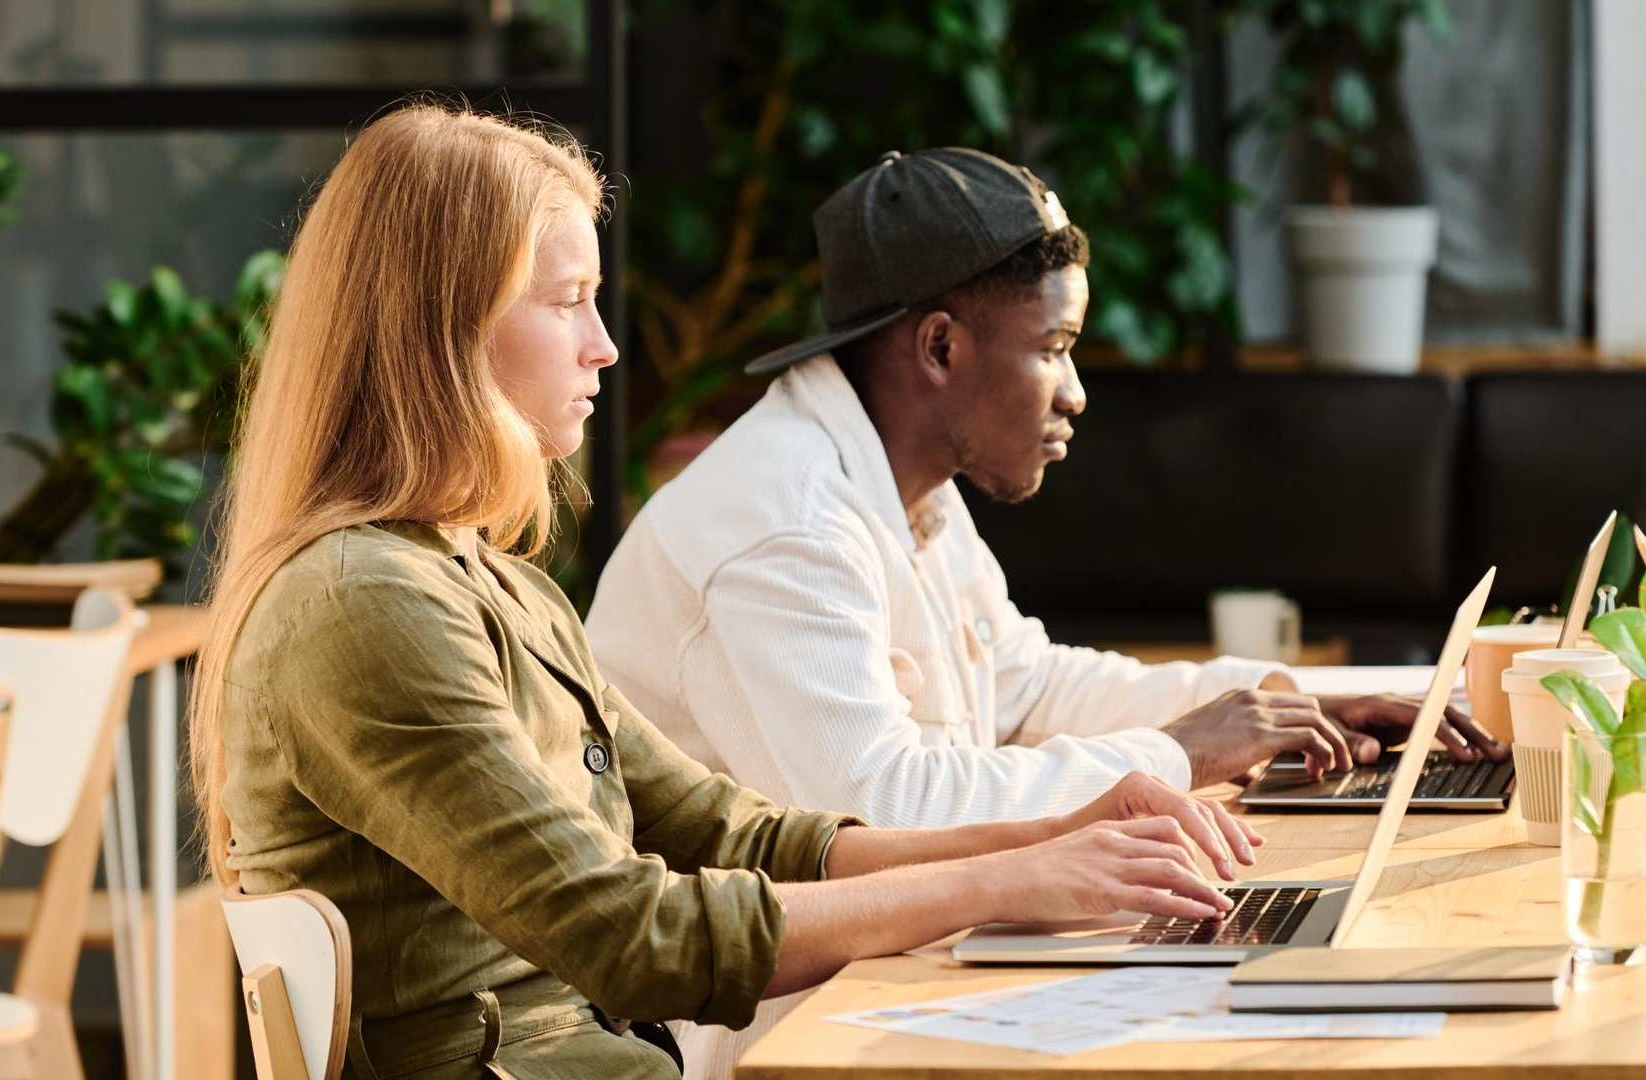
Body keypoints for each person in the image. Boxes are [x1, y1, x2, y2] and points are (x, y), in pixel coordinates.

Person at [189, 105, 1264, 1080]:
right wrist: (1012, 881)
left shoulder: (487, 583)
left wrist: (1051, 838)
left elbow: (741, 835)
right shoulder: (361, 605)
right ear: (441, 330)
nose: (605, 348)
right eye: (567, 303)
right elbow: (632, 934)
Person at [585, 147, 1504, 1078]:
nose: (1075, 393)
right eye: (1054, 349)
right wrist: (1180, 754)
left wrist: (1274, 703)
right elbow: (878, 821)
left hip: (904, 974)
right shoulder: (784, 524)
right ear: (940, 346)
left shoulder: (908, 488)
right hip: (780, 1033)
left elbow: (1027, 683)